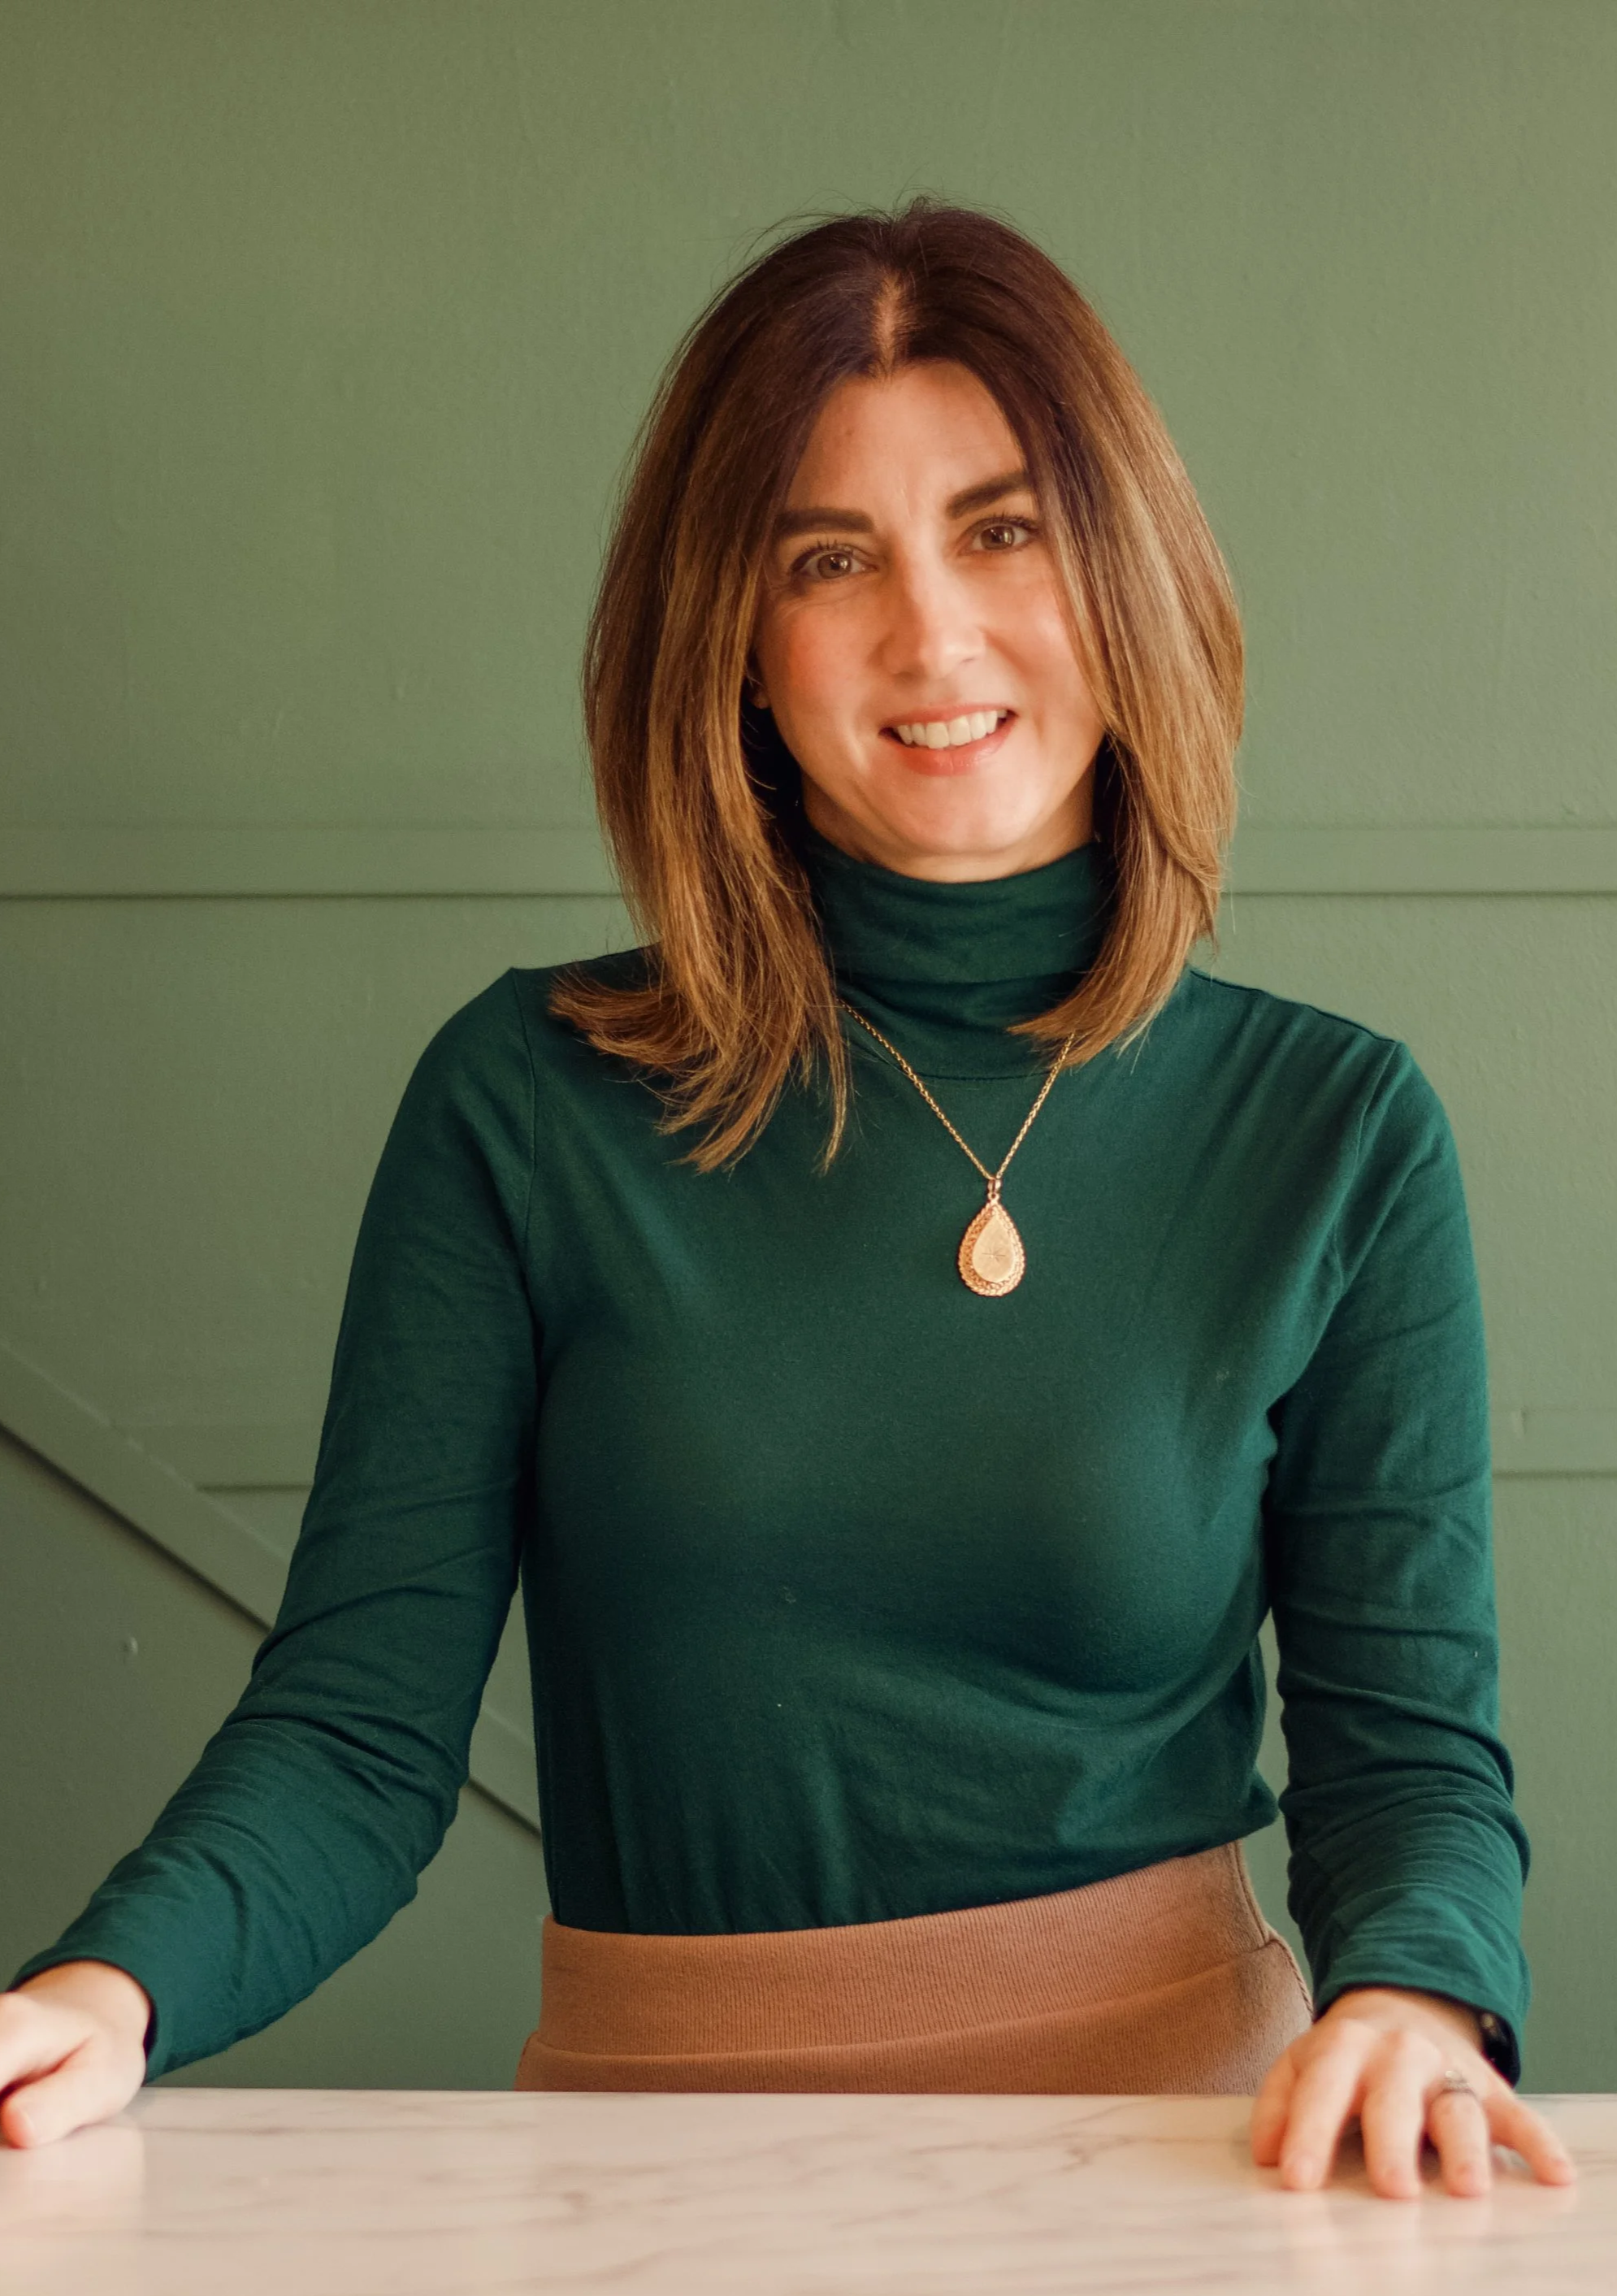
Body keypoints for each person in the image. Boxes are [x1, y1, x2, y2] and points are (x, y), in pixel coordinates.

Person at [0, 201, 1574, 2201]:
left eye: (1001, 530)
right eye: (828, 559)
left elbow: (1408, 1768)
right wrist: (101, 1987)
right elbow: (355, 1733)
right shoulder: (528, 1100)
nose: (933, 634)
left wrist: (1415, 2001)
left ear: (1128, 566)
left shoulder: (1333, 1124)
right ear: (733, 642)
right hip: (656, 2183)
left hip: (1200, 2168)